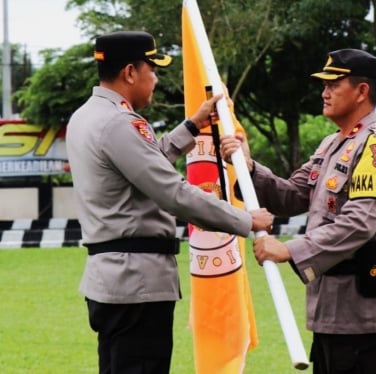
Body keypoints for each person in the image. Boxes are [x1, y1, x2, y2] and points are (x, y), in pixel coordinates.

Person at [66, 31, 273, 374]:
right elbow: (172, 191)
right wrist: (245, 220)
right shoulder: (120, 122)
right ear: (130, 73)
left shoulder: (87, 116)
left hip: (113, 278)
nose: (156, 78)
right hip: (138, 282)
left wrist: (192, 126)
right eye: (152, 68)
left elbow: (142, 165)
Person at [221, 48, 376, 374]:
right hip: (329, 313)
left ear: (362, 91)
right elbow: (293, 196)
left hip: (365, 321)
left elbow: (360, 223)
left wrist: (289, 249)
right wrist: (249, 169)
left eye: (334, 84)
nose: (324, 92)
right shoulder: (331, 145)